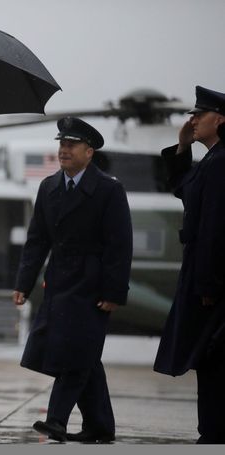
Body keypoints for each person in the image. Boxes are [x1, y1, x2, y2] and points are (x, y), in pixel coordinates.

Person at [12, 117, 133, 443]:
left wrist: (114, 291)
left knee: (76, 354)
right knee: (83, 355)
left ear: (89, 151)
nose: (63, 150)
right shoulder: (48, 187)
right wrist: (24, 283)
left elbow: (120, 246)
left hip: (92, 286)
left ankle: (56, 421)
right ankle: (100, 427)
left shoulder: (109, 189)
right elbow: (37, 240)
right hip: (59, 285)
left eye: (71, 145)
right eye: (61, 144)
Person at [153, 85, 225, 444]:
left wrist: (209, 286)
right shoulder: (211, 160)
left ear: (221, 119)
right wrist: (182, 147)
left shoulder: (222, 162)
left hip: (211, 284)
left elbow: (213, 228)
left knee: (212, 360)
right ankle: (210, 431)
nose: (193, 120)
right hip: (203, 278)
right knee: (207, 359)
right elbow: (184, 188)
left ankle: (213, 433)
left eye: (200, 114)